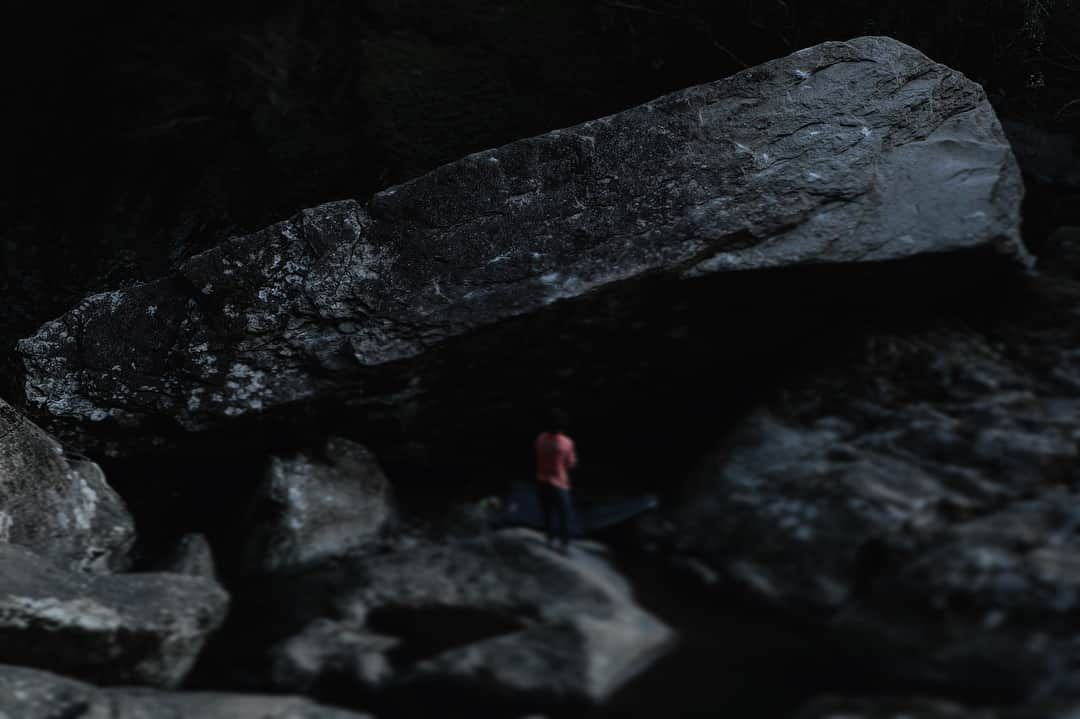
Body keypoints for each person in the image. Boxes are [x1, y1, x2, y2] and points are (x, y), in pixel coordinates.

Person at [534, 409, 577, 553]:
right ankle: (564, 544)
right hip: (559, 483)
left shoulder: (540, 439)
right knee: (564, 514)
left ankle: (550, 539)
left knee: (547, 513)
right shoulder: (566, 442)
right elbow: (571, 464)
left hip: (541, 480)